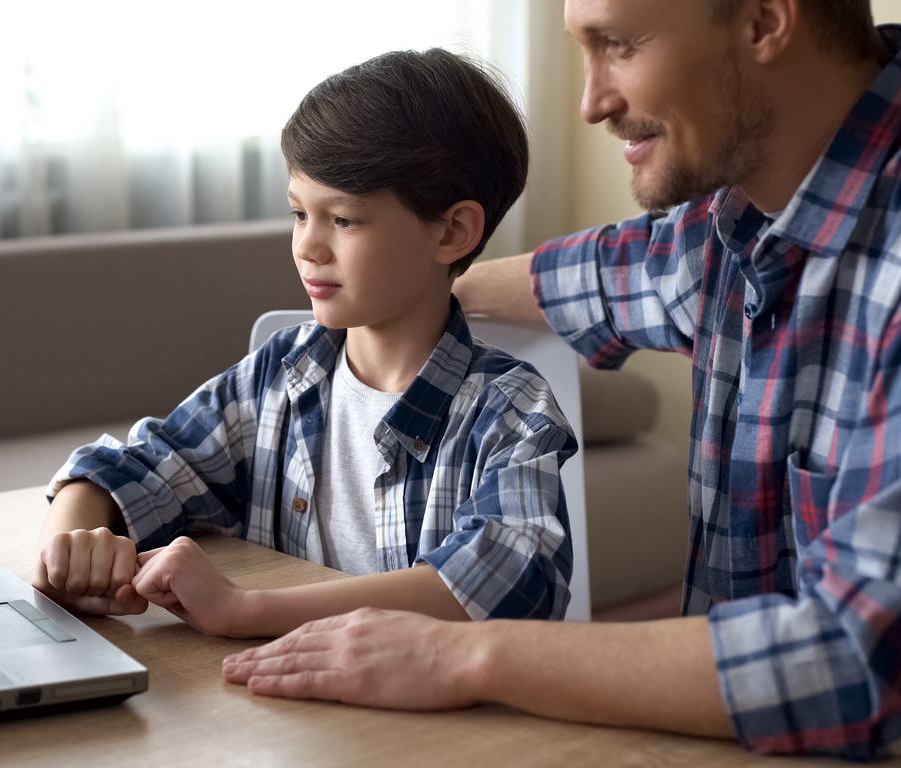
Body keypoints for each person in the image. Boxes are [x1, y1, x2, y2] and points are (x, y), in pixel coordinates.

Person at [221, 0, 901, 764]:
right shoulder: (724, 228)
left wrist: (465, 655)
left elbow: (874, 668)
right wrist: (410, 290)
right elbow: (579, 276)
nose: (592, 101)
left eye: (619, 44)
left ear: (765, 19)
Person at [33, 49, 577, 639]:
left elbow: (507, 578)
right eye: (298, 213)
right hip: (290, 715)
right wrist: (72, 542)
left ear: (452, 231)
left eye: (343, 220)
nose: (308, 247)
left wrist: (245, 609)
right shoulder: (284, 372)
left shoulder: (510, 409)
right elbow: (133, 465)